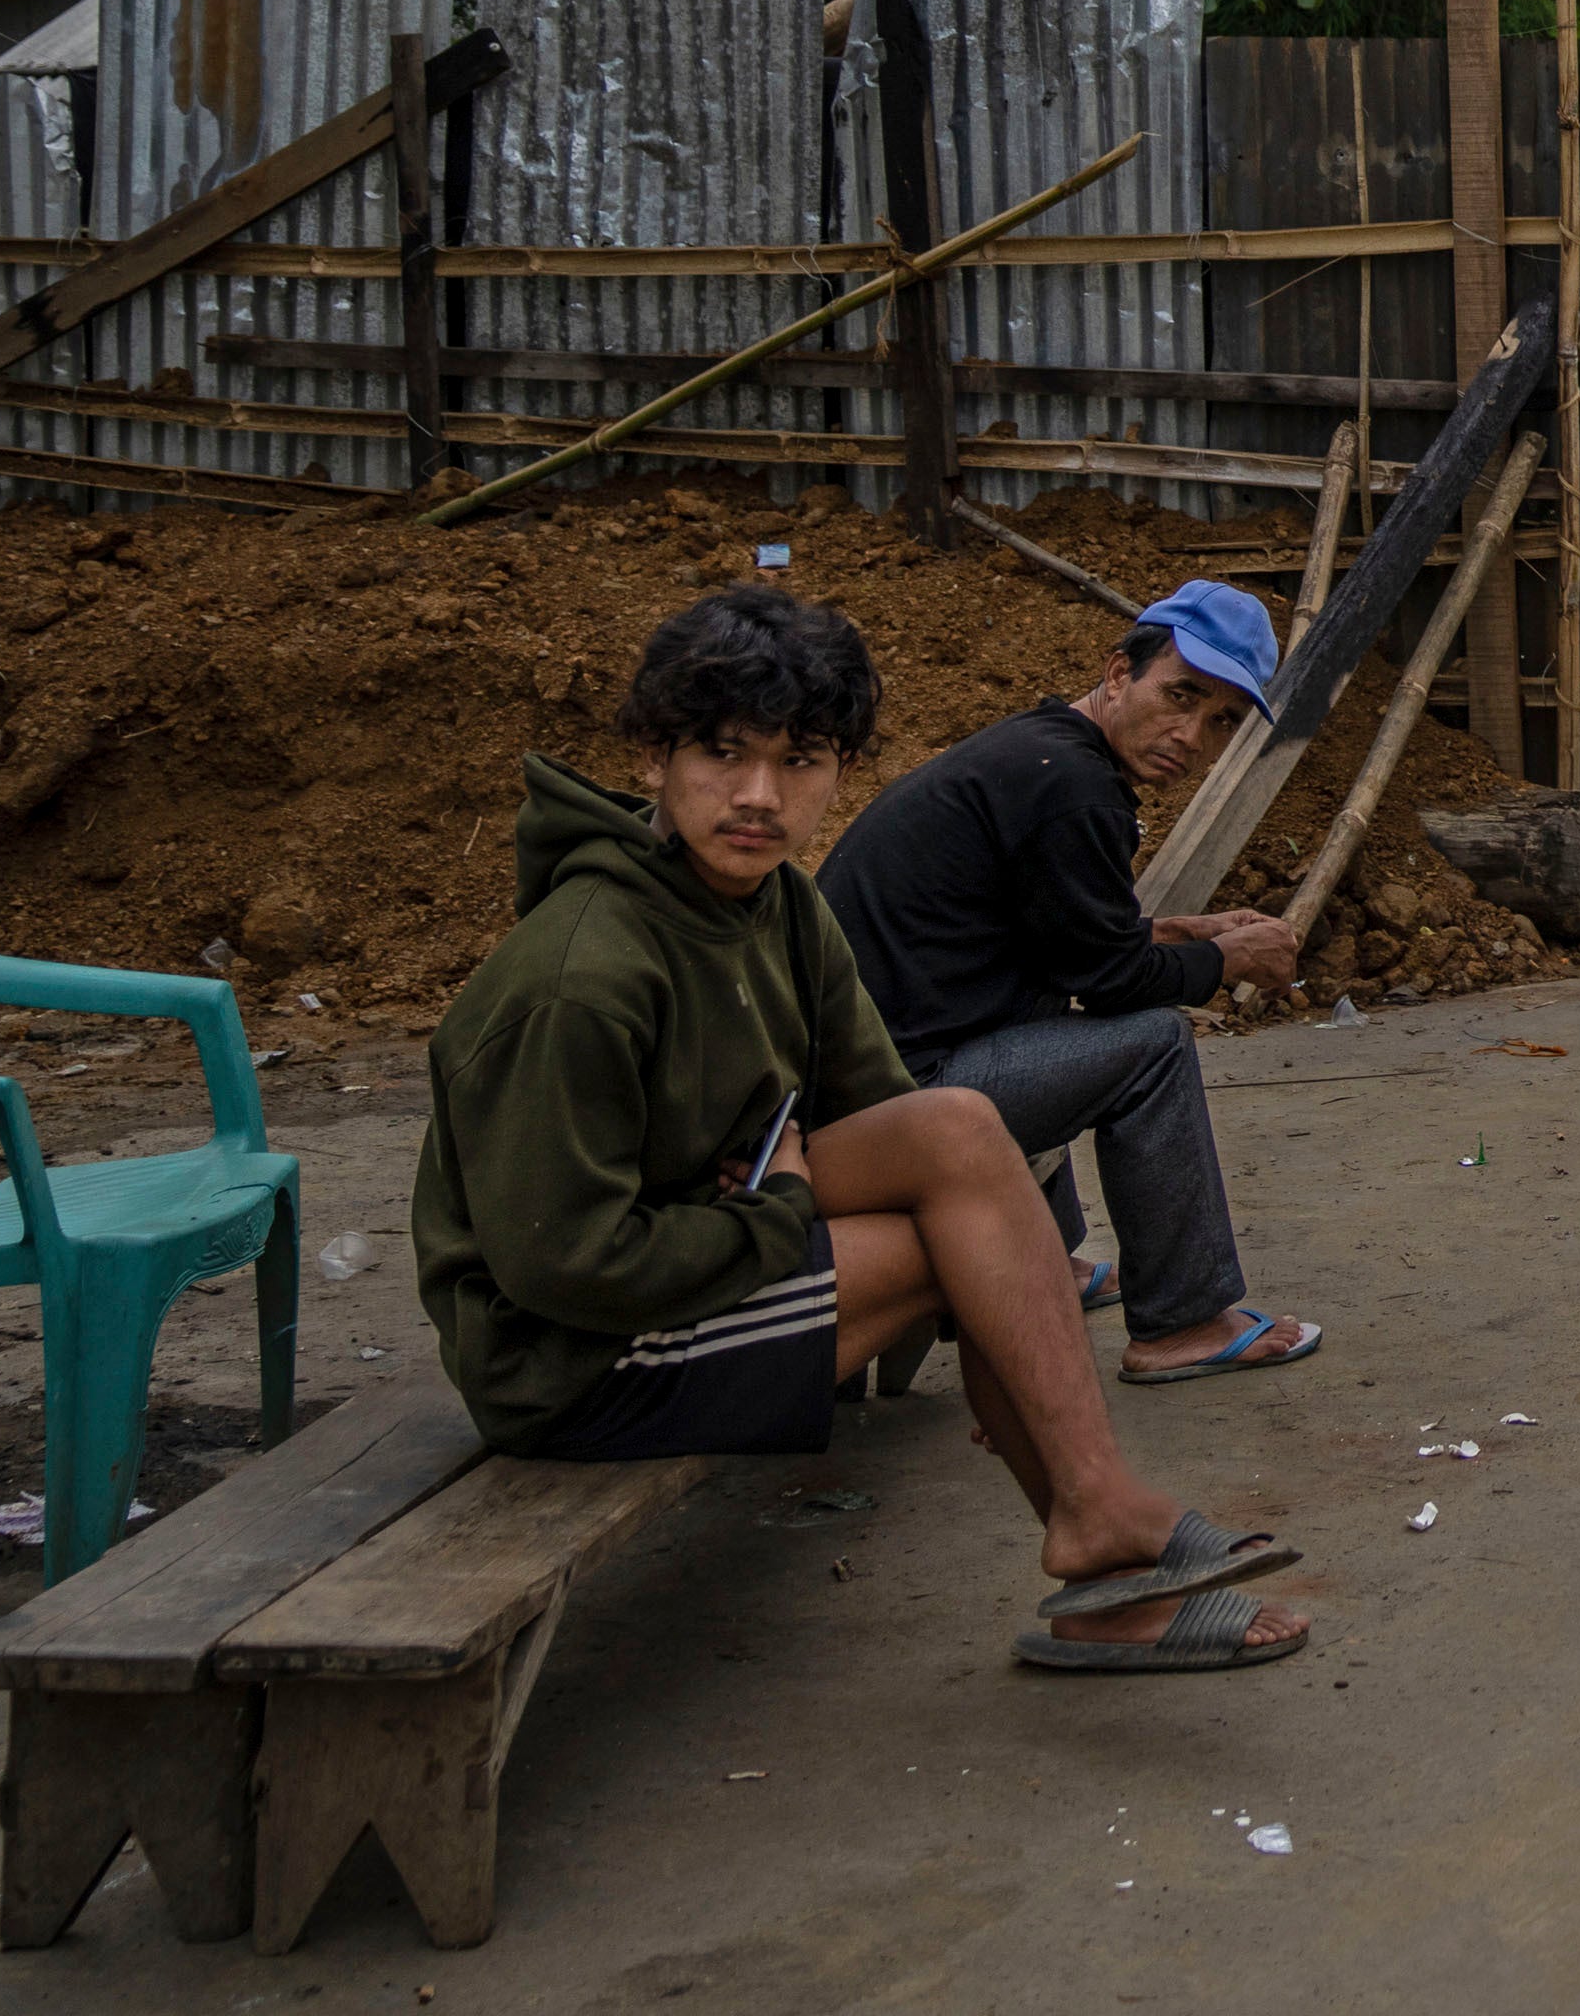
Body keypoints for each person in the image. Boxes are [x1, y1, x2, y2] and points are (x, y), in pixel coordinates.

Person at [416, 587, 1308, 1672]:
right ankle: (1102, 1542)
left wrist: (994, 1295)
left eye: (800, 761)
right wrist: (783, 1208)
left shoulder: (775, 908)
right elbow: (568, 1267)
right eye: (721, 754)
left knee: (961, 1140)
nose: (759, 795)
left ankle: (1097, 1522)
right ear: (652, 756)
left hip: (705, 1232)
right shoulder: (582, 974)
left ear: (838, 770)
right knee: (961, 1231)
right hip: (575, 1360)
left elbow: (897, 1118)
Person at [818, 578, 1321, 1385]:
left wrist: (1187, 931)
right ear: (1119, 672)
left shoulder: (1042, 750)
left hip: (875, 1076)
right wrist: (1224, 962)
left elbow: (1063, 938)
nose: (1190, 735)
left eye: (1220, 720)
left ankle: (1047, 1255)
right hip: (899, 1100)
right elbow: (1114, 981)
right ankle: (1183, 1320)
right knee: (1151, 1045)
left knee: (1054, 1021)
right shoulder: (1074, 788)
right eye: (1180, 695)